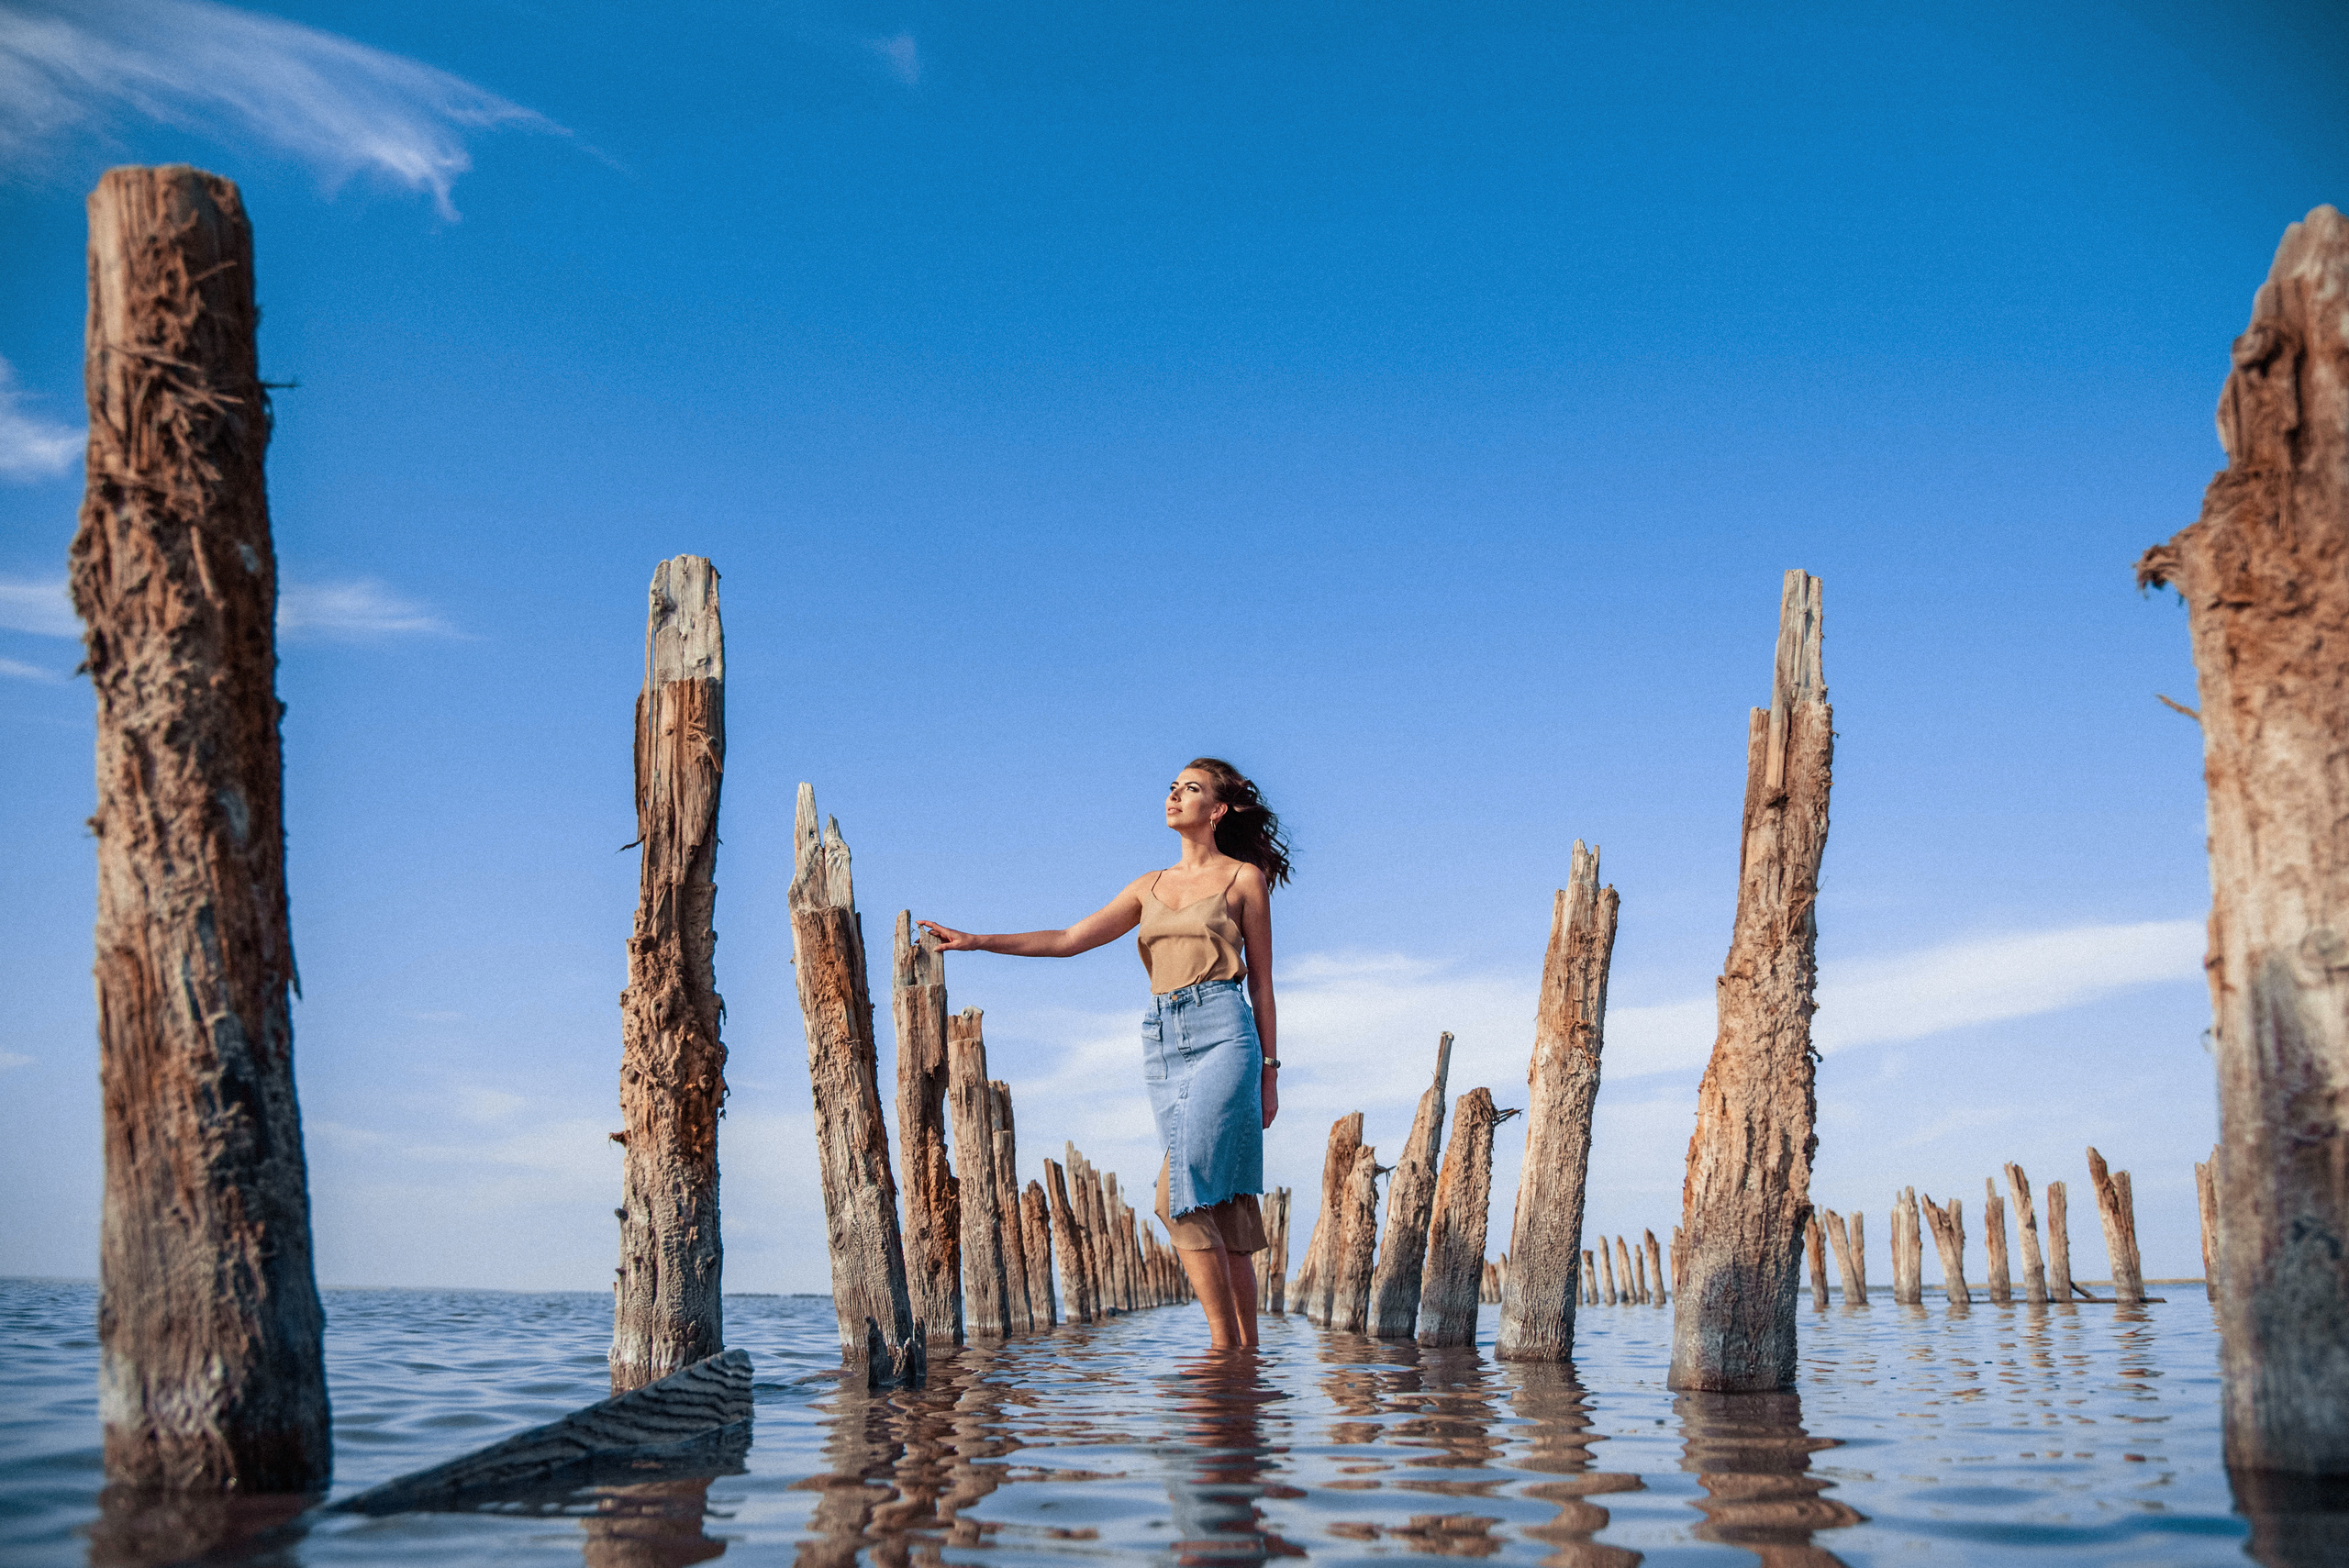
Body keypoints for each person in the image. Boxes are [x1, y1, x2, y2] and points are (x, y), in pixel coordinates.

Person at [918, 758, 1289, 1350]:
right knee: (1219, 1205)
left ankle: (1222, 1349)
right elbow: (1069, 940)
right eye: (1172, 787)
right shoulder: (1148, 885)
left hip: (1225, 1032)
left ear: (1217, 810)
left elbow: (1263, 982)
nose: (1173, 796)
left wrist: (1270, 1072)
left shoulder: (1244, 879)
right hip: (1163, 1040)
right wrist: (977, 941)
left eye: (1190, 790)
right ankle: (1246, 1360)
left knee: (1177, 1200)